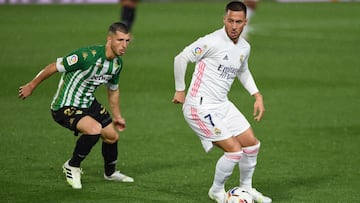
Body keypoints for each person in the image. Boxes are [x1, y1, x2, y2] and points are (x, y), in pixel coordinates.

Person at [172, 1, 271, 203]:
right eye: (230, 21)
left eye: (238, 22)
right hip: (198, 106)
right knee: (234, 151)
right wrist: (180, 89)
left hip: (222, 104)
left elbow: (242, 70)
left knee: (252, 145)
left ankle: (246, 188)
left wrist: (257, 95)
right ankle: (217, 192)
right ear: (224, 19)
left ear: (246, 22)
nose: (234, 26)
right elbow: (181, 58)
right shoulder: (211, 41)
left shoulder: (245, 46)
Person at [18, 22, 134, 189]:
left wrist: (117, 116)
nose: (124, 45)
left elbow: (113, 90)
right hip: (64, 105)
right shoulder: (87, 55)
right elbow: (54, 66)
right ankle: (72, 166)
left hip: (88, 103)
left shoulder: (116, 65)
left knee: (112, 136)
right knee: (94, 129)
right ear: (109, 39)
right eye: (120, 40)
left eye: (127, 41)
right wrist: (31, 85)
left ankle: (110, 173)